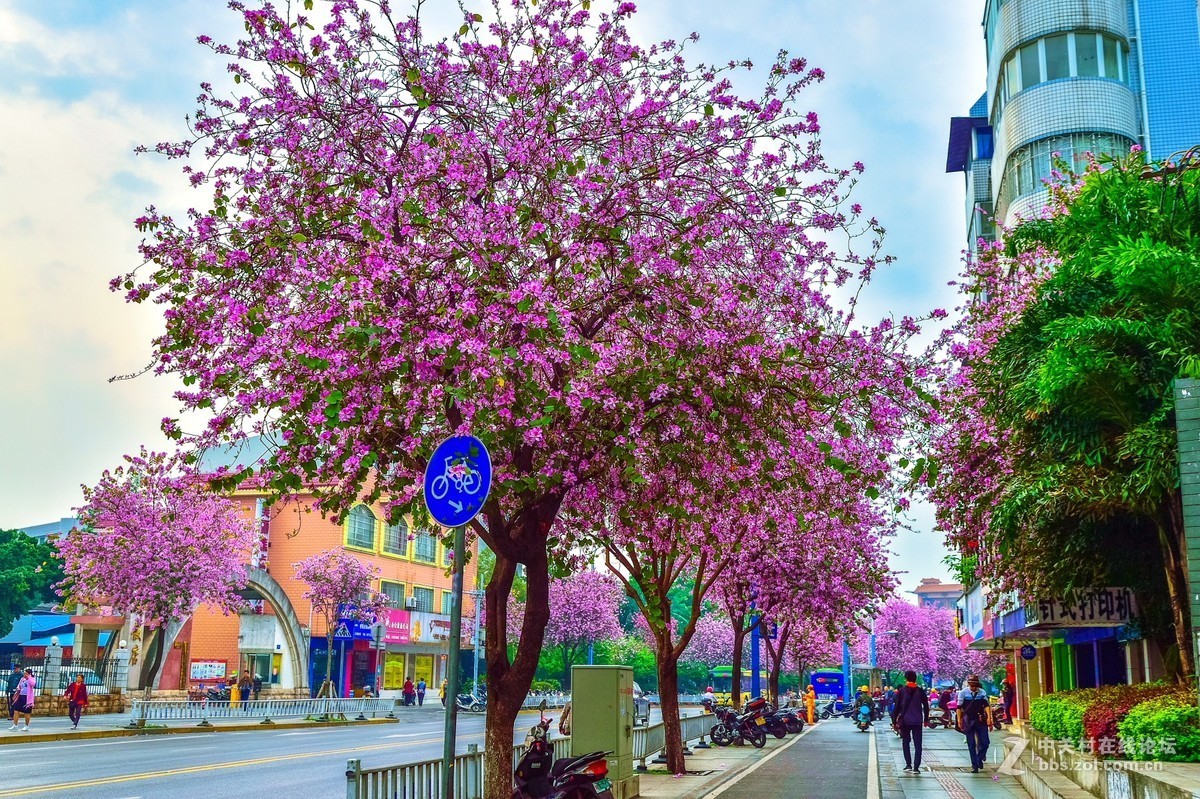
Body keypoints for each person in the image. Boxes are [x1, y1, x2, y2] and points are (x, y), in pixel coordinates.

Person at [891, 670, 930, 774]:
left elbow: (897, 707)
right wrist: (926, 719)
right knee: (918, 744)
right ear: (915, 678)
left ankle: (908, 765)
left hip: (905, 721)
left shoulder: (902, 691)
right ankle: (916, 767)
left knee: (905, 742)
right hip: (917, 721)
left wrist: (894, 721)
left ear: (906, 678)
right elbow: (926, 706)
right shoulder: (921, 691)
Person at [957, 674, 992, 773]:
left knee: (985, 743)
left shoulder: (982, 693)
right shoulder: (963, 693)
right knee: (971, 744)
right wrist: (959, 720)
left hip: (980, 720)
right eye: (972, 685)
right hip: (968, 720)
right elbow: (959, 708)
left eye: (975, 686)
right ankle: (974, 765)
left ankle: (978, 758)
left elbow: (986, 706)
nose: (973, 688)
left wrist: (989, 718)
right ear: (969, 684)